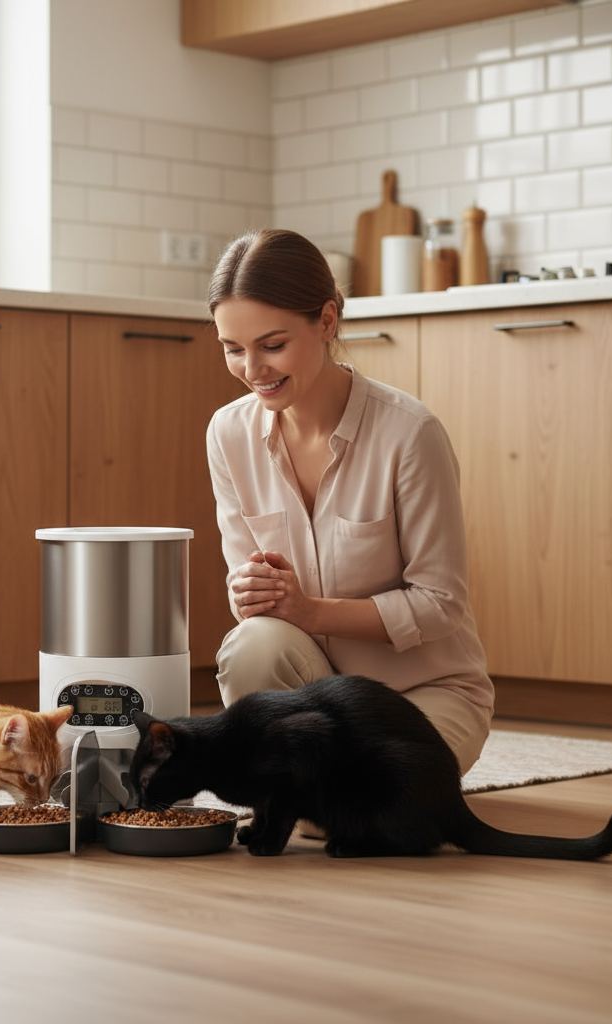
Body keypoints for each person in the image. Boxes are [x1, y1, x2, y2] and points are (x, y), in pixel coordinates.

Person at [206, 228, 493, 776]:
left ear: (328, 321)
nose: (251, 370)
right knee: (251, 646)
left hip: (422, 694)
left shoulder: (410, 433)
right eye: (232, 349)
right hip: (313, 696)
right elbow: (250, 607)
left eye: (272, 345)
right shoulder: (227, 434)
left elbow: (440, 602)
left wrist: (312, 611)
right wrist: (248, 593)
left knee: (364, 801)